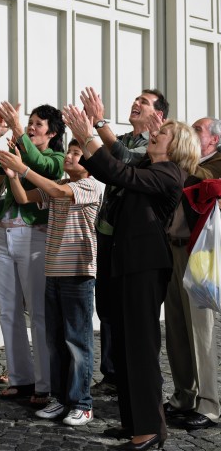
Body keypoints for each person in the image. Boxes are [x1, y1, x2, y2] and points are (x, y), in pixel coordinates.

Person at [63, 105, 200, 450]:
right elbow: (119, 161)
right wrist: (96, 129)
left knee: (140, 349)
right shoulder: (149, 164)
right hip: (124, 263)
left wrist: (87, 136)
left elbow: (117, 173)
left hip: (145, 267)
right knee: (124, 348)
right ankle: (133, 423)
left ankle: (150, 430)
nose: (154, 134)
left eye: (162, 133)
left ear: (178, 145)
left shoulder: (171, 173)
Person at [0, 139, 102, 426]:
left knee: (77, 342)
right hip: (53, 270)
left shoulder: (92, 185)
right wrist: (13, 176)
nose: (69, 156)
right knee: (54, 340)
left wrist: (24, 167)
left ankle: (82, 403)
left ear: (91, 161)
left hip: (79, 271)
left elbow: (56, 191)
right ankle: (59, 398)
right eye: (68, 150)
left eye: (77, 153)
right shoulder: (63, 183)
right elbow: (23, 199)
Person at [79, 87, 169, 396]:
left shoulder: (155, 148)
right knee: (106, 306)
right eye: (136, 99)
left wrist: (97, 124)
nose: (135, 103)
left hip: (133, 239)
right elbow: (107, 163)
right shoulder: (126, 138)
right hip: (107, 230)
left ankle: (135, 376)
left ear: (158, 115)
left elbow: (124, 163)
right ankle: (112, 372)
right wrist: (88, 133)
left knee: (130, 310)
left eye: (143, 102)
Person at [0, 102, 65, 406]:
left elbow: (42, 166)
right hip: (3, 234)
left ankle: (45, 385)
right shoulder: (17, 146)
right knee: (9, 312)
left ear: (52, 133)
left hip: (34, 238)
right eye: (29, 121)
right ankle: (20, 379)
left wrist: (18, 136)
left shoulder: (57, 157)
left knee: (38, 314)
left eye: (38, 124)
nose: (30, 126)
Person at [164, 117, 221, 430]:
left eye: (197, 130)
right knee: (175, 328)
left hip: (198, 253)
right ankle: (185, 395)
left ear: (213, 140)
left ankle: (209, 404)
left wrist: (181, 157)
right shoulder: (183, 161)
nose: (191, 133)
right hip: (173, 249)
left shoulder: (216, 162)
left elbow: (197, 180)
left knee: (201, 331)